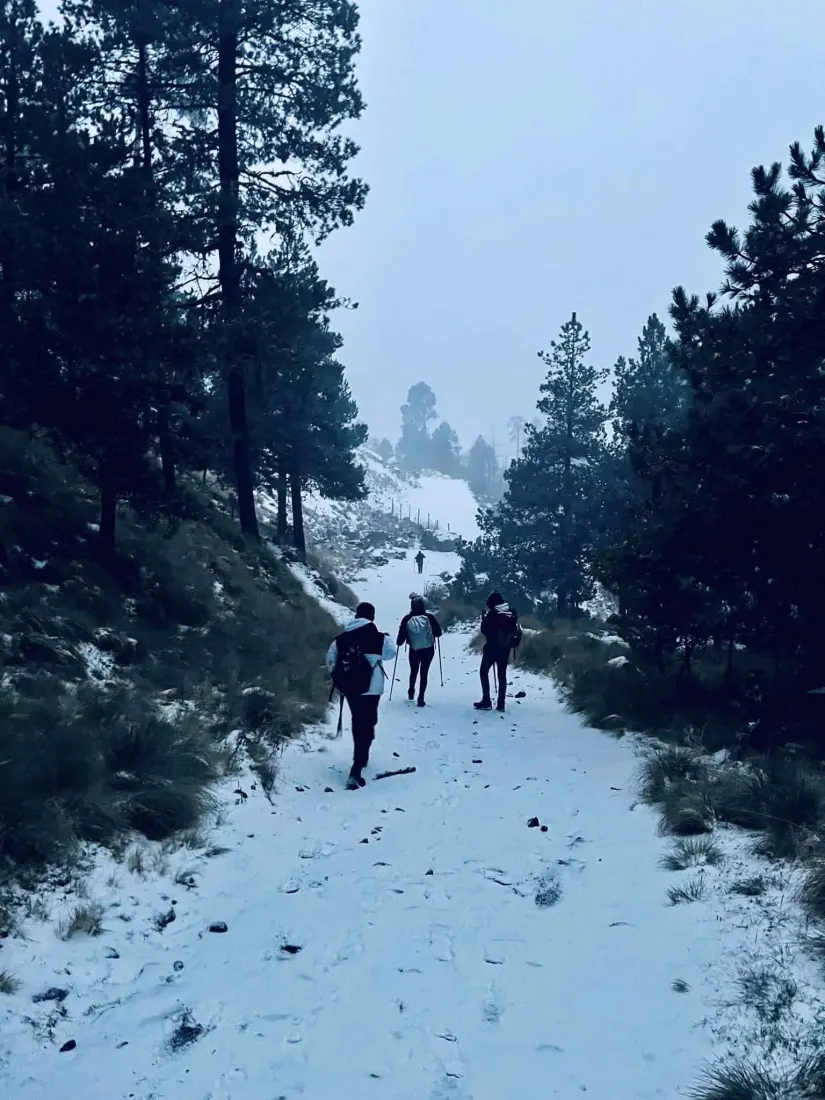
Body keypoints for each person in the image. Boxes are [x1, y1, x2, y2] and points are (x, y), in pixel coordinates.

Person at [327, 602, 397, 789]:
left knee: (358, 719)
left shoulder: (341, 639)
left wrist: (343, 678)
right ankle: (358, 763)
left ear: (357, 616)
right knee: (369, 720)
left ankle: (361, 754)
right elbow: (391, 654)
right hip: (372, 688)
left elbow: (331, 660)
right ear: (372, 617)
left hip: (351, 689)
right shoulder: (379, 637)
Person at [474, 591, 522, 712]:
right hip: (505, 648)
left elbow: (484, 630)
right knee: (502, 675)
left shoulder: (493, 614)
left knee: (483, 671)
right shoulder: (512, 612)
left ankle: (486, 700)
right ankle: (501, 704)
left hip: (491, 648)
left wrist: (484, 618)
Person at [396, 594, 443, 707]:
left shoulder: (407, 618)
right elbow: (438, 633)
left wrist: (399, 642)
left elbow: (400, 639)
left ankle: (411, 691)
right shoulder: (430, 617)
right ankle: (421, 697)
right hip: (428, 649)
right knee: (424, 672)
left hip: (414, 650)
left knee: (413, 671)